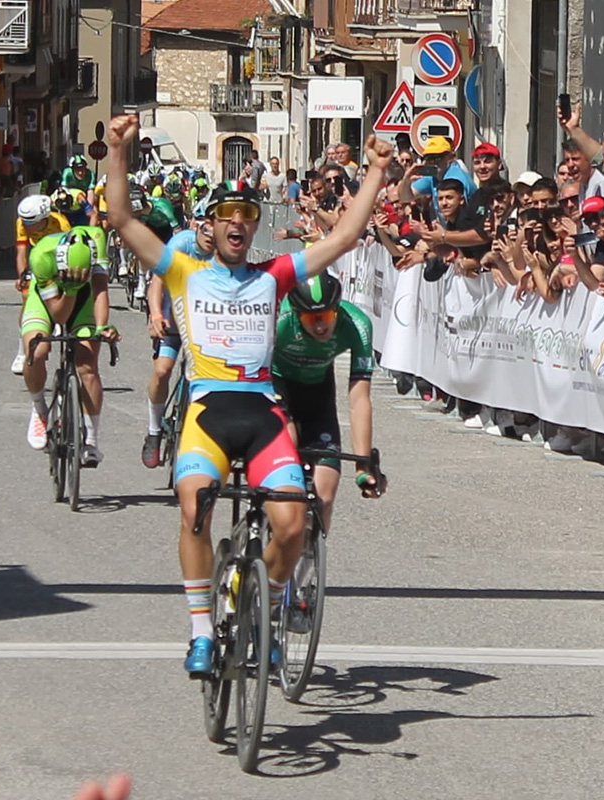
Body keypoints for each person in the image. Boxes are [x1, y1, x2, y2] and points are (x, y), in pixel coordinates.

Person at [103, 112, 393, 676]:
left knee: (292, 523)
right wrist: (118, 152)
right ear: (210, 226)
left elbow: (344, 237)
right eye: (227, 215)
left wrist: (377, 172)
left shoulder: (274, 274)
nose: (238, 222)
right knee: (195, 508)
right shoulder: (184, 269)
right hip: (209, 407)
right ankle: (201, 630)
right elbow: (120, 216)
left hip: (261, 408)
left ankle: (264, 607)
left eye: (248, 215)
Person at [272, 272, 383, 537]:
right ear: (298, 315)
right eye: (311, 318)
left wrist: (363, 466)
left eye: (328, 316)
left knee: (325, 497)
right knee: (287, 446)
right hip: (276, 385)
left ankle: (306, 567)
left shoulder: (357, 325)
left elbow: (359, 399)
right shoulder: (280, 322)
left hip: (317, 394)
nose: (321, 325)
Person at [20, 227, 120, 466]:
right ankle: (39, 409)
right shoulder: (41, 256)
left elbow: (100, 290)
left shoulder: (96, 239)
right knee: (37, 350)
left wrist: (102, 326)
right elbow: (59, 315)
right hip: (49, 300)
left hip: (83, 296)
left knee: (87, 365)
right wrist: (70, 288)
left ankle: (91, 440)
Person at [141, 215, 216, 468]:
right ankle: (154, 430)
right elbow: (157, 284)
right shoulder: (180, 244)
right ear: (196, 226)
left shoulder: (223, 252)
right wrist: (156, 315)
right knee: (162, 370)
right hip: (172, 317)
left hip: (204, 324)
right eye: (206, 231)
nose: (210, 239)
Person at [11, 194, 72, 374]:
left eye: (31, 223)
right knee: (26, 295)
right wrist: (22, 275)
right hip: (37, 257)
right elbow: (21, 251)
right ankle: (22, 350)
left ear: (44, 218)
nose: (26, 226)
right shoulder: (22, 222)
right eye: (25, 222)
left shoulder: (61, 224)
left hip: (57, 257)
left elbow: (67, 255)